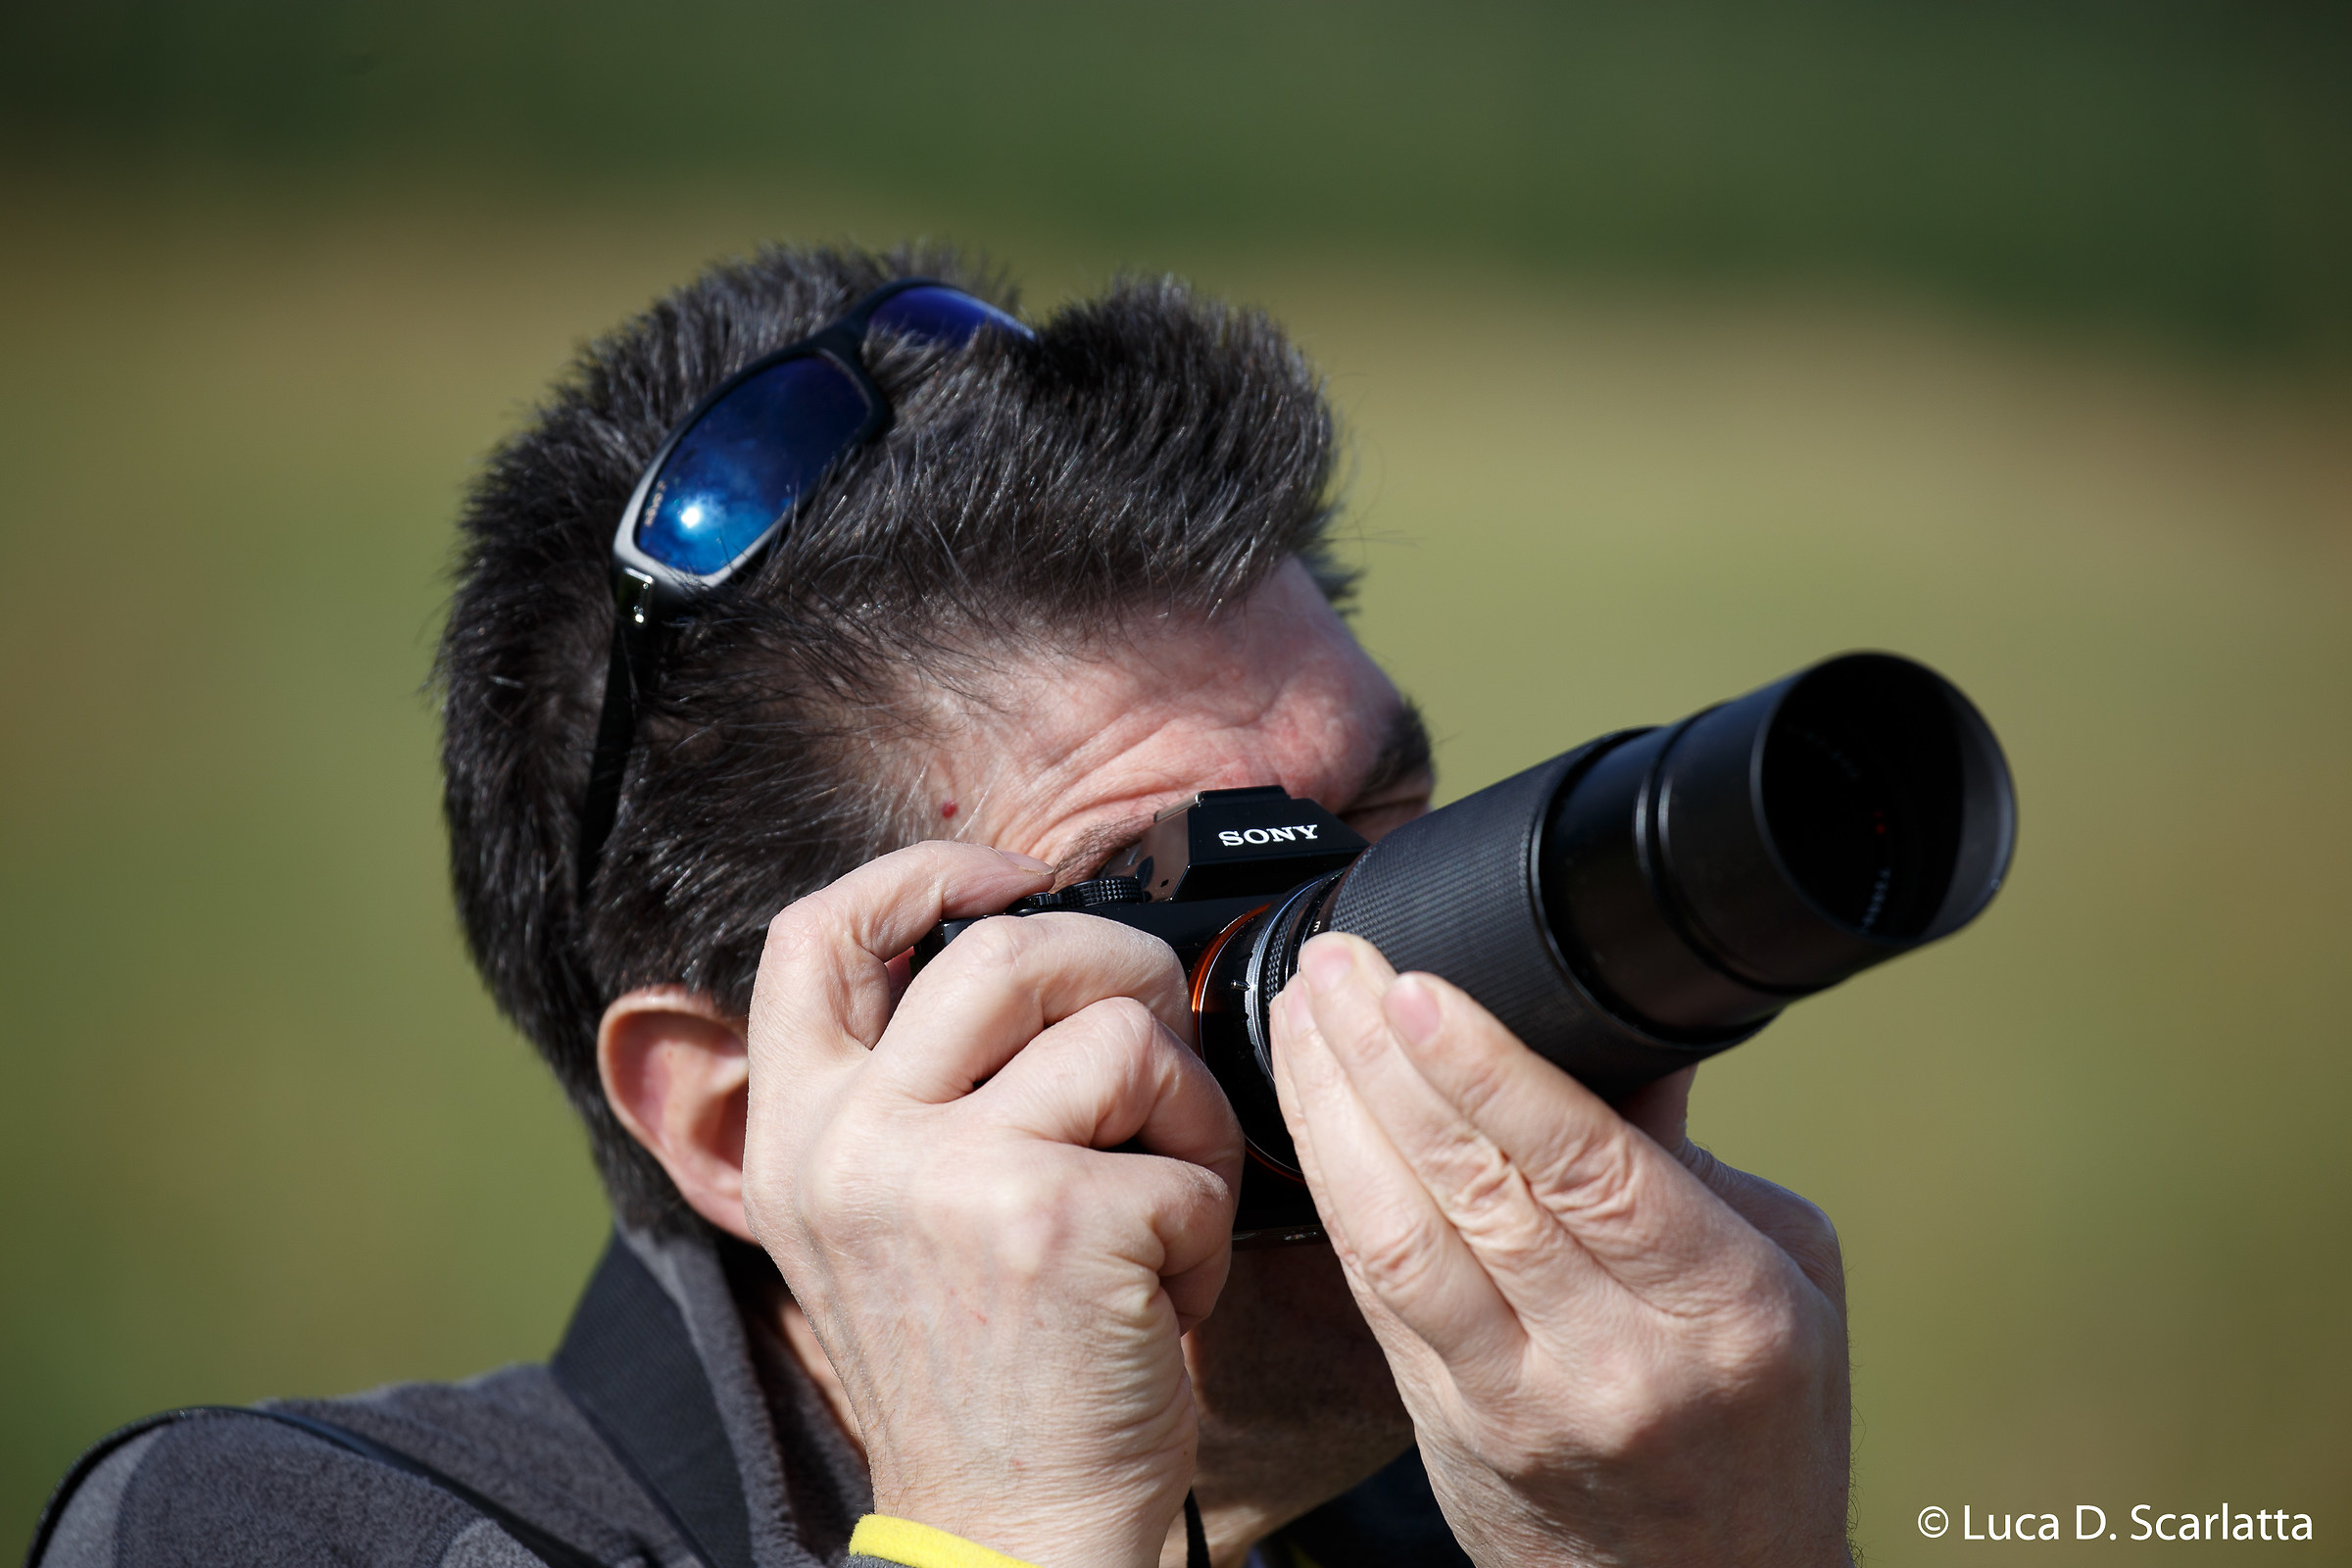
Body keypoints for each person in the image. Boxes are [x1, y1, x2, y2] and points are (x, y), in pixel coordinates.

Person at [33, 248, 1853, 1568]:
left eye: (1379, 834)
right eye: (1182, 914)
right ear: (741, 1122)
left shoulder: (1569, 1497)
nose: (1369, 977)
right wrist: (1012, 1525)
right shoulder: (277, 1533)